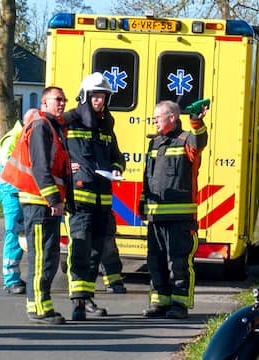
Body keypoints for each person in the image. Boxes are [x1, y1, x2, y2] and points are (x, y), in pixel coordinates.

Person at [2, 86, 72, 324]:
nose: (62, 104)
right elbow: (40, 167)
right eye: (57, 100)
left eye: (64, 100)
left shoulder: (53, 126)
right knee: (42, 257)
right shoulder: (42, 126)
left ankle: (42, 305)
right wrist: (54, 199)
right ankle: (39, 308)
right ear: (44, 103)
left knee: (49, 257)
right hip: (39, 202)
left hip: (44, 202)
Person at [63, 72, 126, 320]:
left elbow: (117, 156)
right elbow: (53, 150)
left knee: (95, 252)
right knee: (79, 249)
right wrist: (67, 164)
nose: (99, 101)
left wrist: (116, 168)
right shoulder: (69, 121)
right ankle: (77, 303)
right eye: (95, 96)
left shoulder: (106, 126)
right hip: (80, 200)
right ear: (85, 96)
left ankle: (87, 298)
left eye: (103, 97)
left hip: (102, 200)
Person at [141, 99, 208, 319]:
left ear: (172, 118)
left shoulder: (187, 140)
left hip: (180, 217)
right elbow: (147, 176)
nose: (154, 121)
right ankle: (160, 301)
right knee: (155, 261)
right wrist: (143, 201)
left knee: (179, 262)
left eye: (157, 117)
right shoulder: (154, 143)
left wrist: (196, 120)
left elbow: (200, 141)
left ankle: (179, 304)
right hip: (155, 216)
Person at [0, 109, 41, 296]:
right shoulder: (13, 138)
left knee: (25, 234)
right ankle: (10, 280)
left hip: (25, 189)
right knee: (14, 232)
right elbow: (12, 169)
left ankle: (17, 277)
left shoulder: (26, 136)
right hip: (12, 190)